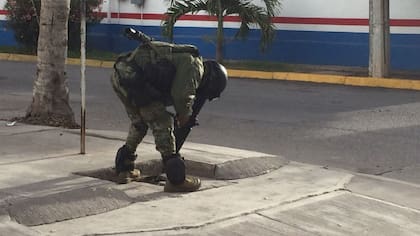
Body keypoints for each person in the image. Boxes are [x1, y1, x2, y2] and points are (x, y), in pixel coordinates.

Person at [110, 28, 227, 192]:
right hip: (135, 78)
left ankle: (124, 169)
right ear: (212, 81)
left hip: (121, 75)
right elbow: (181, 95)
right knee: (162, 121)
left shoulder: (185, 59)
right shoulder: (195, 66)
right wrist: (184, 115)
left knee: (140, 123)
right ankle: (176, 180)